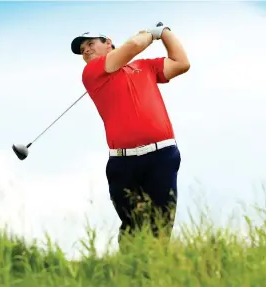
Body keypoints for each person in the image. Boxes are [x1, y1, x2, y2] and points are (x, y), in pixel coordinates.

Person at [70, 23, 190, 248]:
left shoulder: (144, 66)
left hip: (162, 156)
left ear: (108, 43)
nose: (85, 50)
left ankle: (158, 277)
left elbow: (182, 63)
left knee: (161, 226)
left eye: (90, 43)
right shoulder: (92, 71)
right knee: (133, 228)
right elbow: (135, 44)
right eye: (81, 49)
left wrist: (165, 32)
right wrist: (150, 34)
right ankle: (129, 277)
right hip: (123, 163)